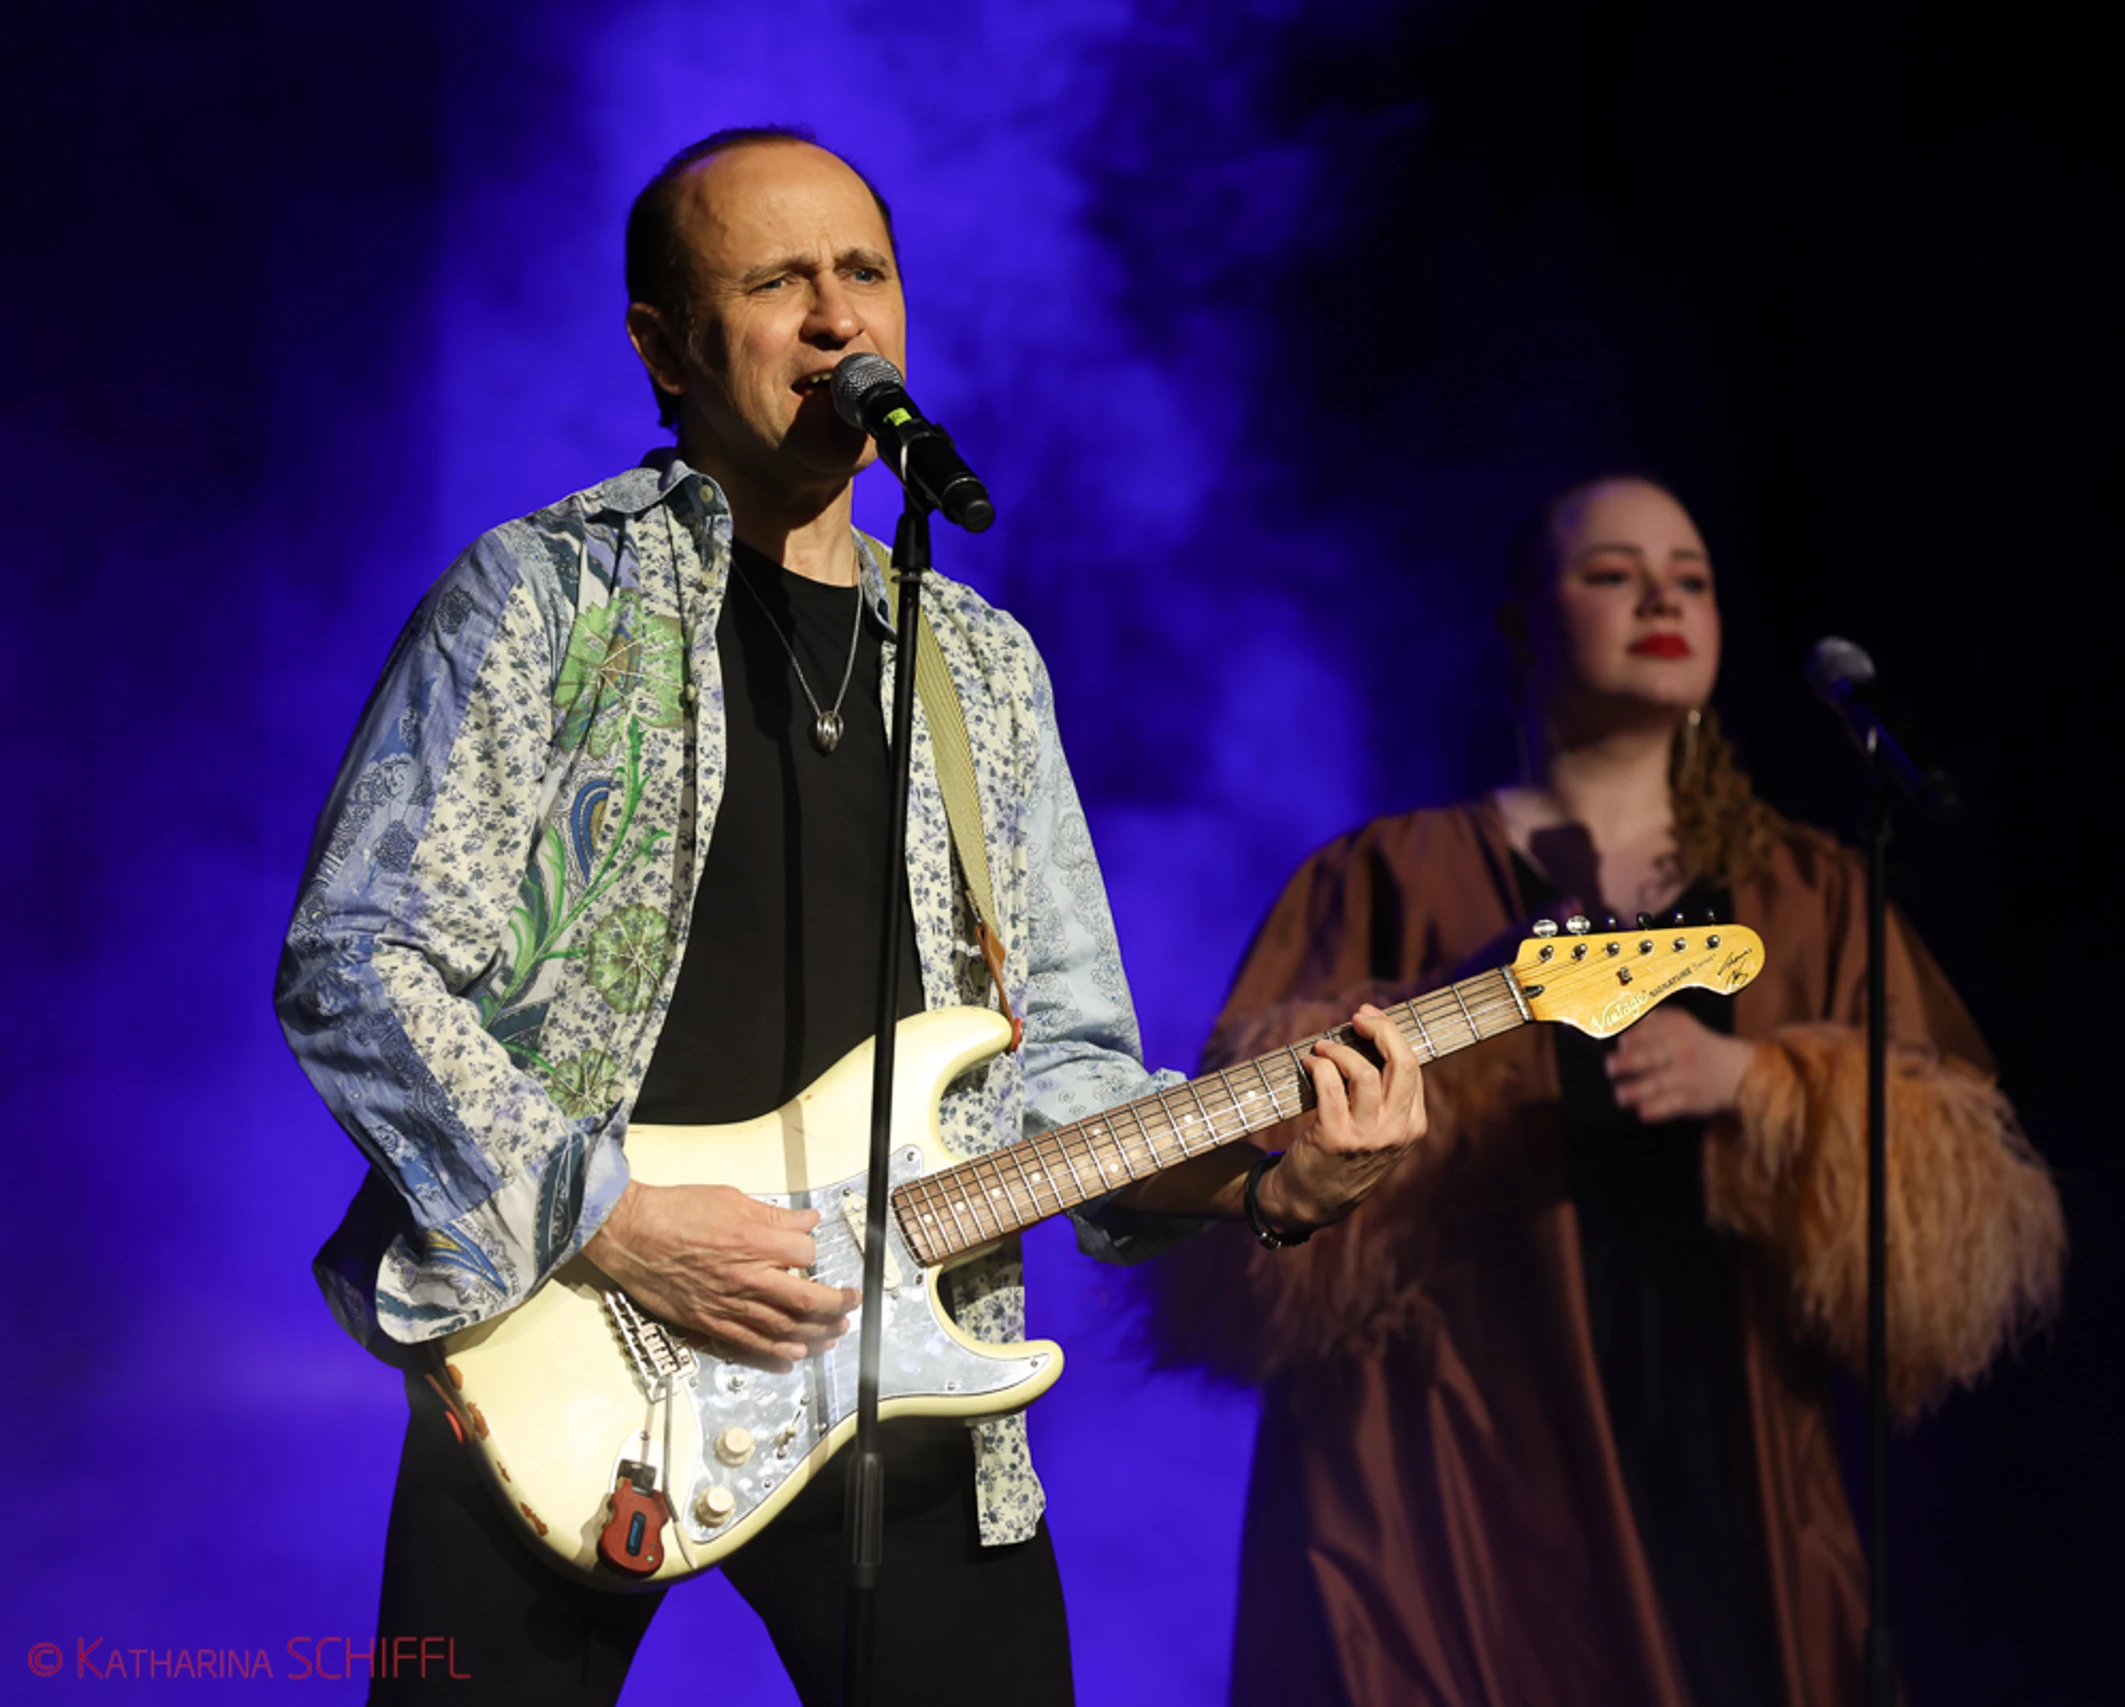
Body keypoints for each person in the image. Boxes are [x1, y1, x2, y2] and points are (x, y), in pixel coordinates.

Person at [274, 126, 1426, 1705]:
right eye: (777, 281)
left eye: (864, 272)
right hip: (565, 1349)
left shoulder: (983, 667)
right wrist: (608, 1215)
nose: (836, 317)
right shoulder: (546, 599)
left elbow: (1063, 1075)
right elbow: (356, 959)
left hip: (910, 1377)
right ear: (665, 347)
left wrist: (1274, 1177)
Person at [1147, 475, 2067, 1706]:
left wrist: (1765, 1085)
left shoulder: (1810, 892)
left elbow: (1966, 1215)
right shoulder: (1386, 877)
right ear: (1523, 624)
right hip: (1442, 1481)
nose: (1660, 601)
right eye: (1612, 574)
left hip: (1724, 1473)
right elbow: (1226, 1213)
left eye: (1690, 580)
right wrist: (1459, 1028)